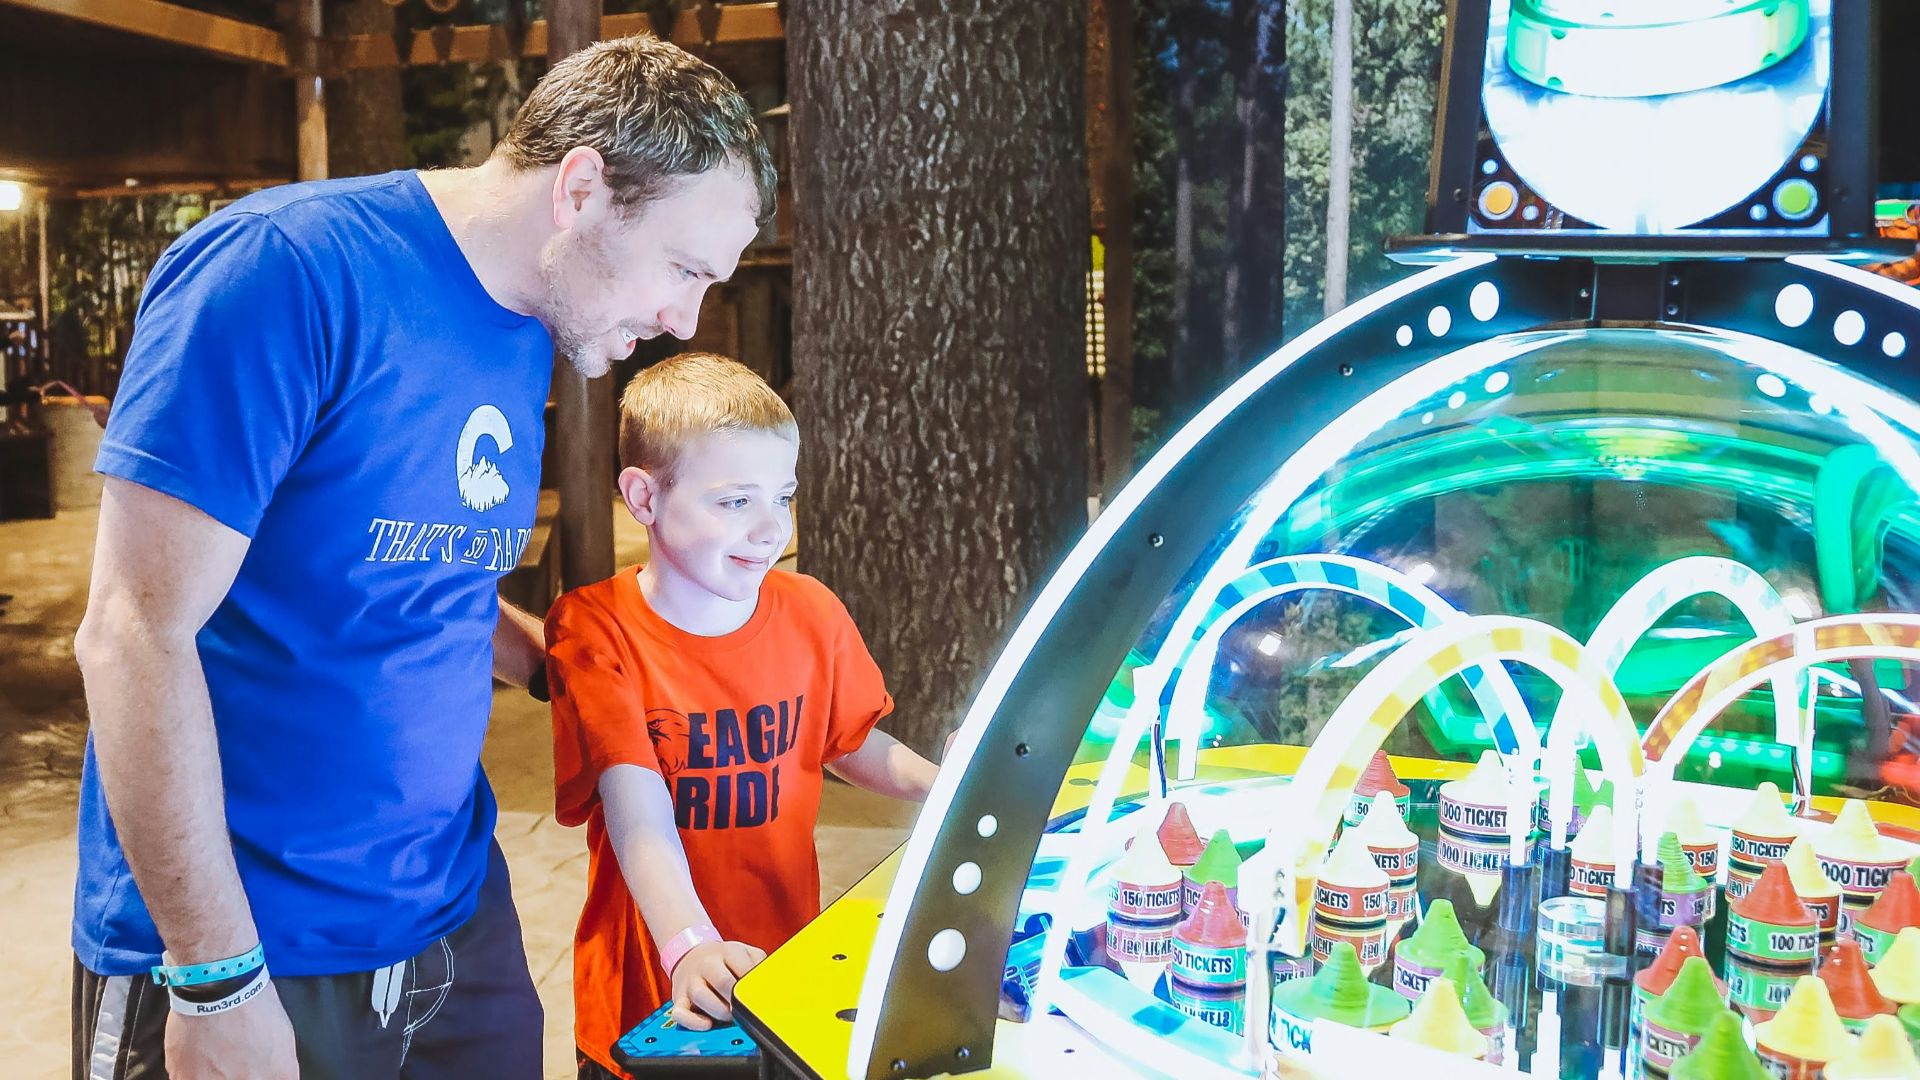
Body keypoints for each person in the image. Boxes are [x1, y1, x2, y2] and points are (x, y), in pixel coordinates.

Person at [69, 35, 775, 1080]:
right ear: (580, 188)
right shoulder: (284, 272)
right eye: (683, 269)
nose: (685, 318)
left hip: (452, 915)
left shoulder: (530, 319)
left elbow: (422, 568)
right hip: (253, 941)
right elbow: (132, 632)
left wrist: (576, 667)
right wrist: (214, 975)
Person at [544, 354, 941, 1078]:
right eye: (734, 502)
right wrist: (689, 944)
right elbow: (636, 808)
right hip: (652, 990)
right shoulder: (595, 629)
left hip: (783, 969)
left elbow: (848, 740)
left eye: (783, 496)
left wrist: (943, 785)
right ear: (644, 496)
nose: (770, 529)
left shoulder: (812, 611)